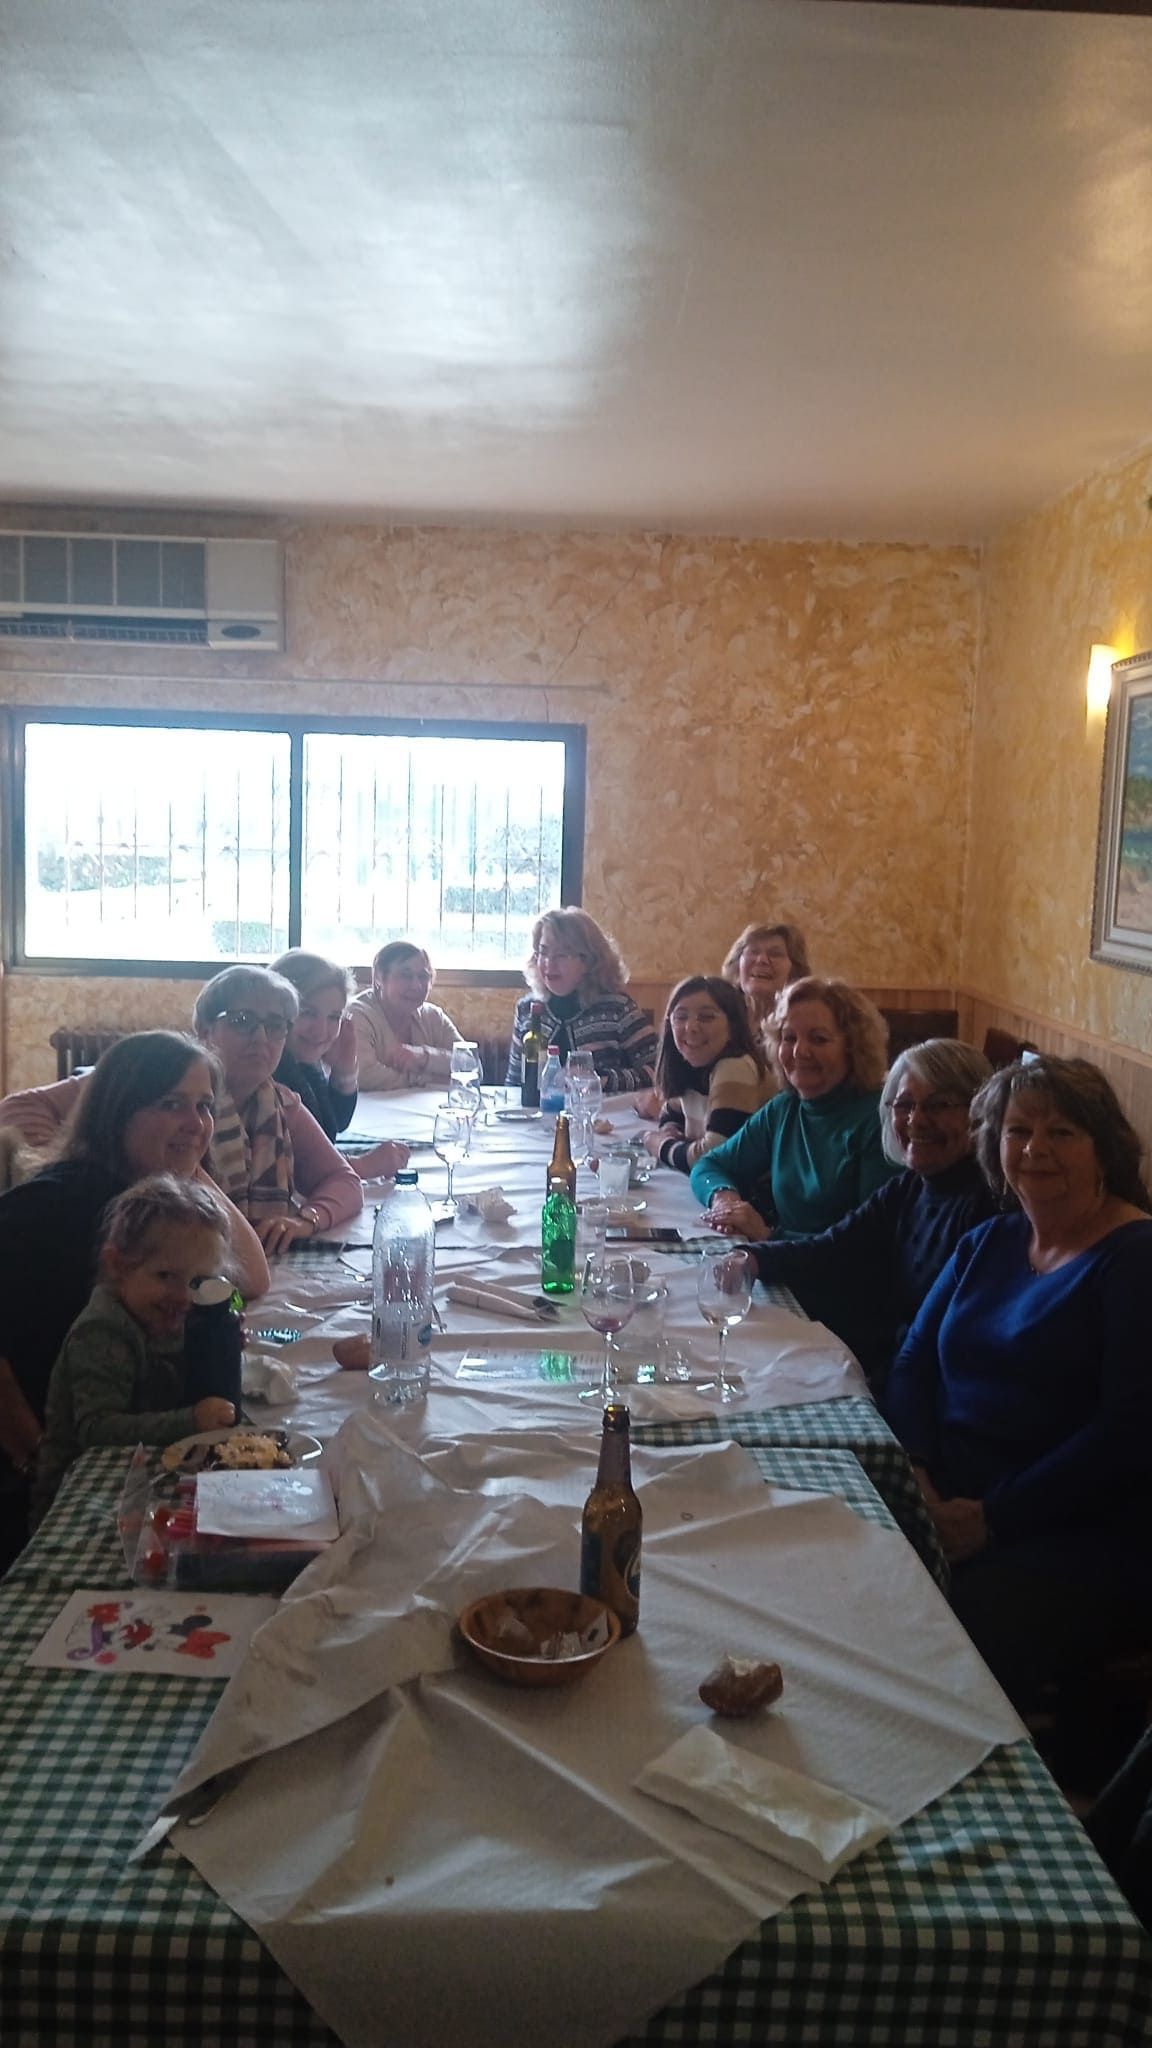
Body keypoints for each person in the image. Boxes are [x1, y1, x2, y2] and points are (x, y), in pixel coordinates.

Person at [885, 1056, 1152, 1718]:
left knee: (942, 1639)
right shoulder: (992, 1239)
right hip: (949, 1492)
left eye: (1062, 1133)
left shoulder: (1135, 1259)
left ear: (1104, 1149)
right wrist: (918, 1476)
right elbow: (914, 1359)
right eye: (1018, 1130)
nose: (1035, 1149)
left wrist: (992, 1520)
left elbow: (1127, 1432)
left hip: (1079, 1526)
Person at [0, 1031, 268, 1573]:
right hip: (57, 1472)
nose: (195, 1122)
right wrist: (33, 1456)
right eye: (171, 1104)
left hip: (132, 1438)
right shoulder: (52, 1207)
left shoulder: (153, 1201)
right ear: (117, 1111)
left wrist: (188, 1166)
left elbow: (251, 1275)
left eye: (204, 1107)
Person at [752, 1039, 997, 1387]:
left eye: (939, 1105)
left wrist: (873, 1389)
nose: (916, 1120)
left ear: (980, 1113)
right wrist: (751, 1258)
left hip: (923, 1392)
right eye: (905, 1104)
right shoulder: (911, 1186)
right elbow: (832, 1249)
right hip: (889, 1370)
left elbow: (946, 1342)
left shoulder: (988, 1209)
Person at [33, 1175, 235, 1519]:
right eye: (166, 1276)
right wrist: (191, 1420)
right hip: (81, 1501)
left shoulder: (169, 1314)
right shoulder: (104, 1330)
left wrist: (220, 1345)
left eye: (198, 1282)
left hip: (147, 1478)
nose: (184, 1296)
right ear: (117, 1265)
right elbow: (97, 1431)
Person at [690, 975, 898, 1238]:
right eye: (789, 1038)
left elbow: (869, 1243)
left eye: (819, 1039)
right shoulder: (785, 1108)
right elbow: (709, 1165)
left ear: (853, 1047)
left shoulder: (879, 1121)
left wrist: (767, 1236)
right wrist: (724, 1200)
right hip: (785, 1261)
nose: (800, 1052)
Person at [193, 966, 362, 1254]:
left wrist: (306, 1220)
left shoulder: (280, 1103)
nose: (261, 1038)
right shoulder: (181, 1105)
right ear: (205, 1031)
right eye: (242, 1021)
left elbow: (344, 1181)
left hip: (259, 1257)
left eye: (275, 1025)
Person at [272, 949, 409, 1182]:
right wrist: (362, 1166)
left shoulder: (302, 1062)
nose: (321, 1030)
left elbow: (332, 1125)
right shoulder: (274, 1068)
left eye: (333, 1017)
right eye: (307, 1013)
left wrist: (344, 1071)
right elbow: (296, 1168)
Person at [506, 908, 658, 1097]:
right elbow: (513, 1083)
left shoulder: (618, 1009)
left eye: (562, 955)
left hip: (602, 1120)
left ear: (589, 961)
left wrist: (601, 1080)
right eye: (543, 953)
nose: (549, 963)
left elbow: (659, 1071)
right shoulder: (528, 1010)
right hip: (536, 1122)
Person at [641, 977, 772, 1173]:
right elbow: (671, 1110)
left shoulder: (736, 1067)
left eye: (707, 1017)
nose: (691, 1027)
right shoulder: (695, 1064)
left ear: (733, 1026)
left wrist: (659, 1145)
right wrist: (671, 1132)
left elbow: (714, 1157)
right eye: (681, 1016)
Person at [348, 943, 462, 1091]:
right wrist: (426, 1079)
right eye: (405, 975)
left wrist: (425, 1057)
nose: (416, 986)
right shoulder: (356, 1014)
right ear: (379, 977)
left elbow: (471, 1064)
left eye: (423, 976)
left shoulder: (433, 1016)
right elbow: (362, 1076)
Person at [721, 920, 812, 1039]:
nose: (761, 960)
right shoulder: (720, 1017)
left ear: (795, 970)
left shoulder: (802, 1025)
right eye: (753, 952)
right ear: (737, 964)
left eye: (775, 954)